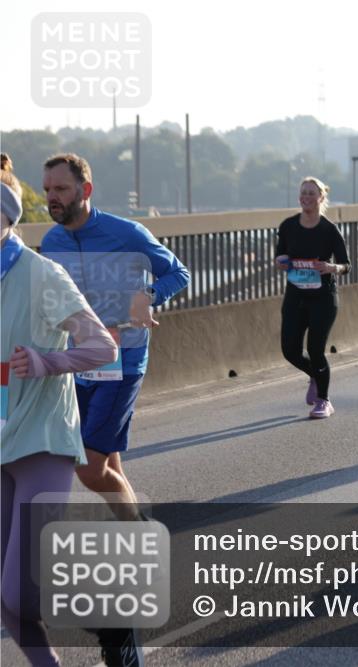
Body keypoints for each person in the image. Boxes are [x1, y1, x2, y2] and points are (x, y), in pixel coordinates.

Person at [2, 173, 121, 667]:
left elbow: (103, 348)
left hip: (42, 441)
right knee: (5, 592)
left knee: (19, 594)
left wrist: (48, 360)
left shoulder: (41, 276)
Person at [41, 153, 189, 526]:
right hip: (77, 363)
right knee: (107, 464)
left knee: (89, 468)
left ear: (85, 189)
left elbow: (179, 273)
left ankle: (139, 531)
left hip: (122, 362)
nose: (51, 197)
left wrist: (149, 294)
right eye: (47, 190)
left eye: (60, 188)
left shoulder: (127, 234)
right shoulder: (52, 241)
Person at [275, 177, 351, 419]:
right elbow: (281, 256)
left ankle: (324, 400)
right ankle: (315, 376)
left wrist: (331, 268)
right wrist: (280, 262)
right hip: (295, 296)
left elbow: (346, 265)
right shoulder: (288, 226)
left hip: (323, 299)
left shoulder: (329, 230)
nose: (306, 197)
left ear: (321, 198)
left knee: (315, 350)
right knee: (290, 350)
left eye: (311, 193)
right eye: (303, 193)